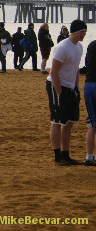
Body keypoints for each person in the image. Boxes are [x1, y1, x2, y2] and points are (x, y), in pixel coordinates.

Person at [46, 19, 87, 166]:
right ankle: (58, 157)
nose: (83, 34)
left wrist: (75, 87)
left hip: (70, 87)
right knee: (57, 120)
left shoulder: (79, 47)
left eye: (85, 32)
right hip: (56, 84)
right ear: (74, 32)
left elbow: (76, 68)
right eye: (81, 31)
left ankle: (66, 154)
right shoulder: (63, 47)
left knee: (69, 122)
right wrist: (60, 93)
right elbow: (54, 72)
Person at [83, 39, 96, 166]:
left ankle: (89, 156)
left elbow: (87, 64)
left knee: (92, 125)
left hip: (89, 85)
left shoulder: (91, 45)